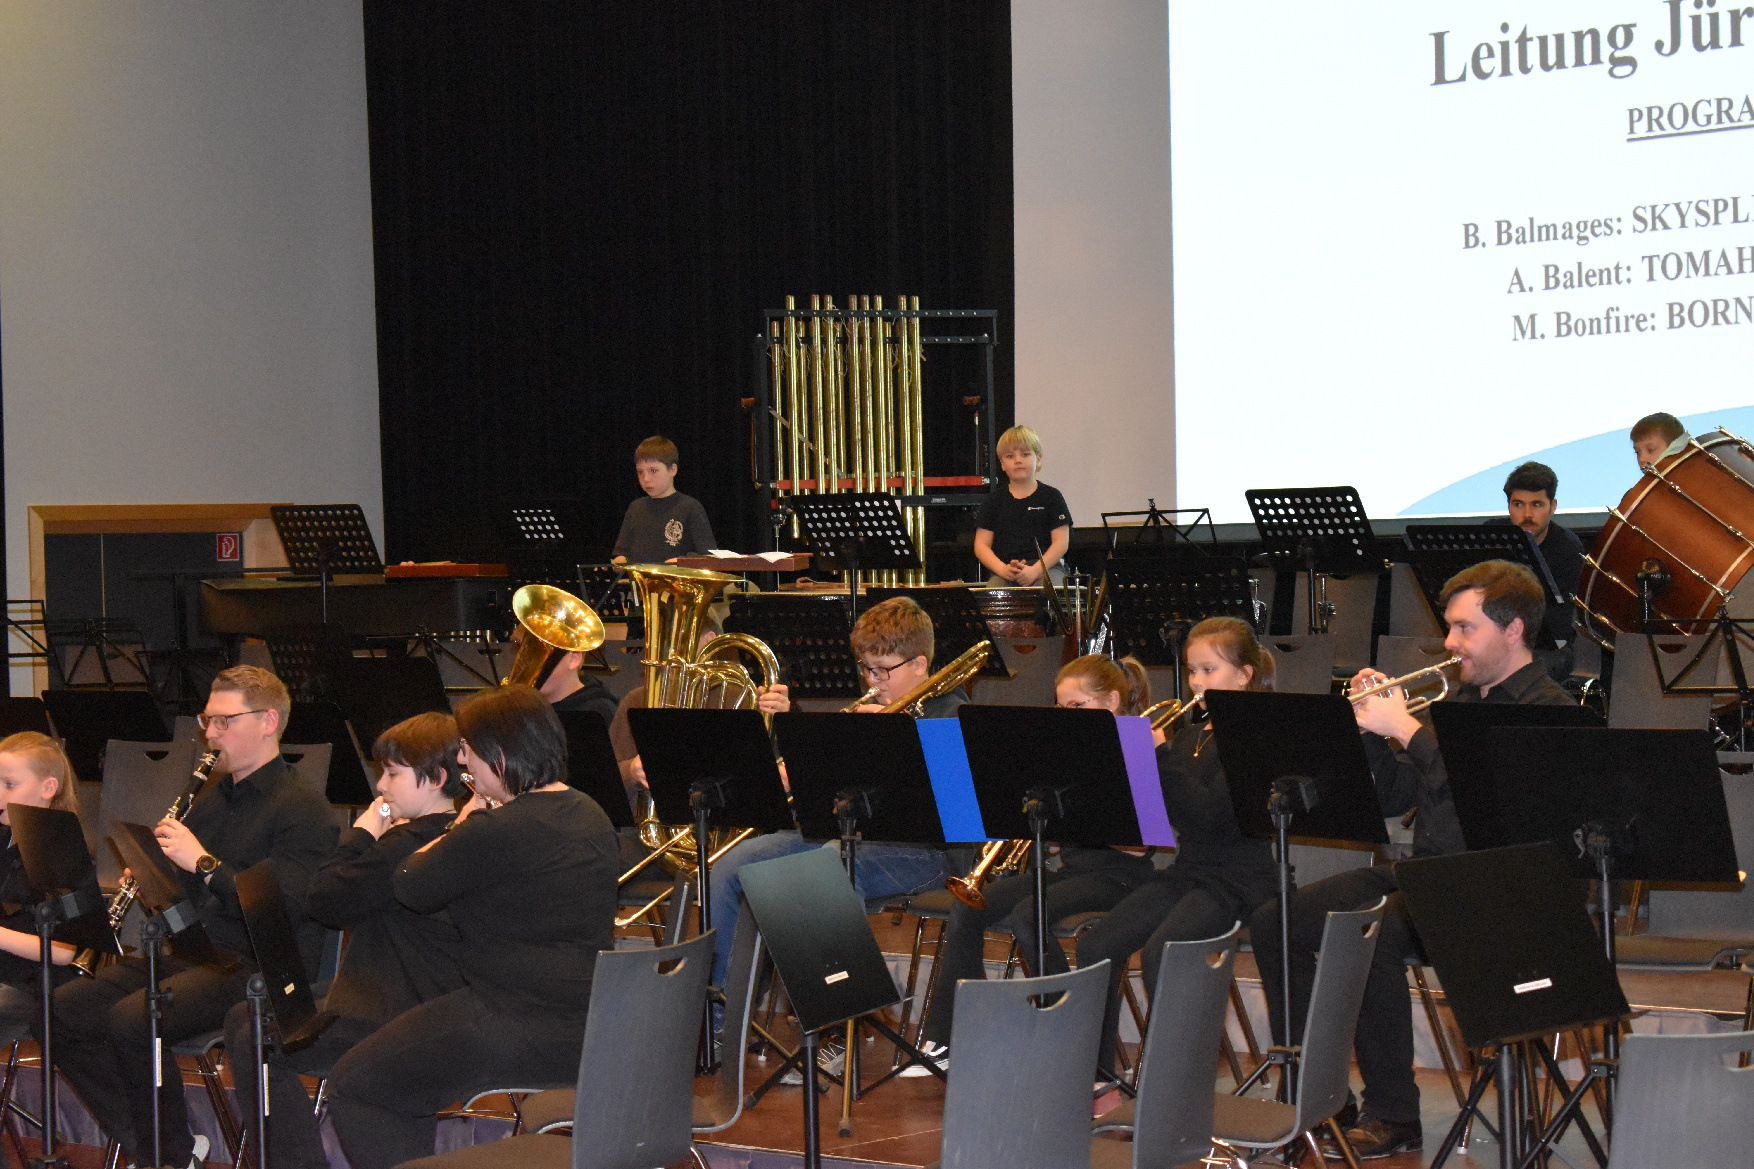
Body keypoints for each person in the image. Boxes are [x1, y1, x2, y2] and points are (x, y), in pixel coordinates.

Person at [1250, 560, 1573, 1159]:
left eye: (1464, 628)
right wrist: (1373, 734)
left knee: (1372, 930)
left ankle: (1395, 1114)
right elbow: (1398, 798)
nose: (1449, 643)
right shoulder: (1457, 701)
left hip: (1499, 886)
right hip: (1428, 871)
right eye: (1449, 627)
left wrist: (1404, 727)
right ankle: (1319, 1096)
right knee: (1278, 920)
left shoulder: (1547, 708)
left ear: (1513, 630)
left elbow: (1485, 795)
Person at [48, 666, 337, 1169]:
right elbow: (184, 895)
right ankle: (157, 1141)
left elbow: (283, 910)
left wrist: (203, 863)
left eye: (225, 721)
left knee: (133, 1020)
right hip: (198, 952)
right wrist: (152, 872)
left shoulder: (304, 809)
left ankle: (167, 1154)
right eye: (208, 720)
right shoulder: (211, 797)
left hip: (260, 967)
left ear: (268, 721)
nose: (210, 734)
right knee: (60, 1011)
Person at [325, 685, 619, 1169]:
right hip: (592, 1018)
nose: (463, 762)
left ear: (498, 755)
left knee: (356, 1086)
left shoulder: (494, 830)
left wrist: (462, 822)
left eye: (467, 750)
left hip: (512, 1017)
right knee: (401, 1077)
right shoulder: (590, 813)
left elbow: (410, 884)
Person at [221, 713, 467, 1169]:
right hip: (395, 995)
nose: (381, 787)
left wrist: (364, 830)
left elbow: (324, 899)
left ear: (435, 779)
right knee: (246, 1016)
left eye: (393, 774)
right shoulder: (454, 833)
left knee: (256, 1036)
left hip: (392, 1011)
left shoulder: (406, 843)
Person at [909, 654, 1161, 1075]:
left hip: (1121, 875)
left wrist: (1077, 820)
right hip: (1074, 871)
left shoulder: (1137, 748)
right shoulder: (1064, 752)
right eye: (1061, 706)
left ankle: (1064, 1030)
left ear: (1111, 701)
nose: (1066, 715)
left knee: (1029, 915)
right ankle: (951, 1037)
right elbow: (1056, 843)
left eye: (1077, 706)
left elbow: (1139, 847)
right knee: (967, 907)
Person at [705, 597, 957, 994]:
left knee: (830, 864)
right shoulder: (870, 708)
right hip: (845, 837)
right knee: (733, 863)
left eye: (882, 671)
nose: (872, 681)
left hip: (924, 853)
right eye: (866, 669)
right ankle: (724, 1010)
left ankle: (840, 1004)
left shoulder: (951, 713)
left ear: (919, 664)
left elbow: (955, 810)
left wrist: (897, 735)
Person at [1070, 618, 1278, 1083]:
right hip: (1190, 870)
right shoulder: (1190, 734)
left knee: (1163, 951)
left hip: (1240, 878)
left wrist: (1159, 757)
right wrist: (1130, 771)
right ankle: (1097, 1074)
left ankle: (1173, 1082)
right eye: (1192, 671)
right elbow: (1164, 819)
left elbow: (1211, 816)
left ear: (1244, 675)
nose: (1197, 682)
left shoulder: (1255, 736)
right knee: (1097, 944)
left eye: (1209, 670)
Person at [0, 733, 97, 1039]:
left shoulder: (61, 851)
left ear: (48, 788)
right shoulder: (5, 838)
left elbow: (63, 951)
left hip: (38, 982)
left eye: (9, 784)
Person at [1496, 460, 1584, 681]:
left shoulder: (1568, 547)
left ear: (1553, 506)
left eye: (1536, 505)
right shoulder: (1492, 536)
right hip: (1497, 639)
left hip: (1548, 648)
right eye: (1518, 504)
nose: (1527, 514)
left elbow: (1560, 623)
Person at [973, 425, 1071, 586]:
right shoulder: (993, 500)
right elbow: (981, 545)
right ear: (1002, 464)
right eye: (1010, 456)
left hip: (1047, 569)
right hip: (1005, 571)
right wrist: (1002, 569)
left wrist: (1036, 571)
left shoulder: (1052, 497)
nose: (1018, 460)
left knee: (1050, 590)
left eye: (1025, 454)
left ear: (1038, 460)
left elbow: (1061, 543)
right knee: (994, 592)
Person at [611, 435, 716, 565]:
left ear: (673, 469)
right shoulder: (635, 508)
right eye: (640, 472)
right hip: (640, 578)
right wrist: (619, 562)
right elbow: (621, 555)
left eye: (653, 471)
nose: (646, 478)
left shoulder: (690, 508)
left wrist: (683, 562)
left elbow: (709, 557)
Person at [518, 622, 618, 726]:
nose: (527, 665)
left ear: (573, 659)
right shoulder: (523, 708)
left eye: (541, 654)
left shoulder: (599, 712)